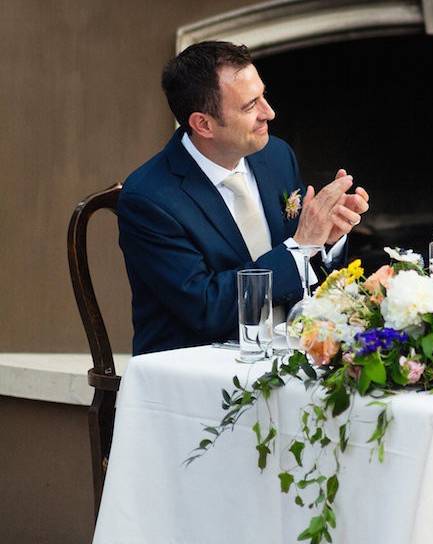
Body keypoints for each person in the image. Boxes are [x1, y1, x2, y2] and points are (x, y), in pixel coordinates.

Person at [119, 41, 369, 355]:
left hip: (288, 353)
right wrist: (301, 246)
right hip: (196, 369)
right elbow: (206, 309)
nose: (270, 112)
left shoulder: (276, 156)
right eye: (250, 106)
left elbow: (299, 272)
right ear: (203, 124)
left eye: (263, 95)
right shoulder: (149, 199)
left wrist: (325, 240)